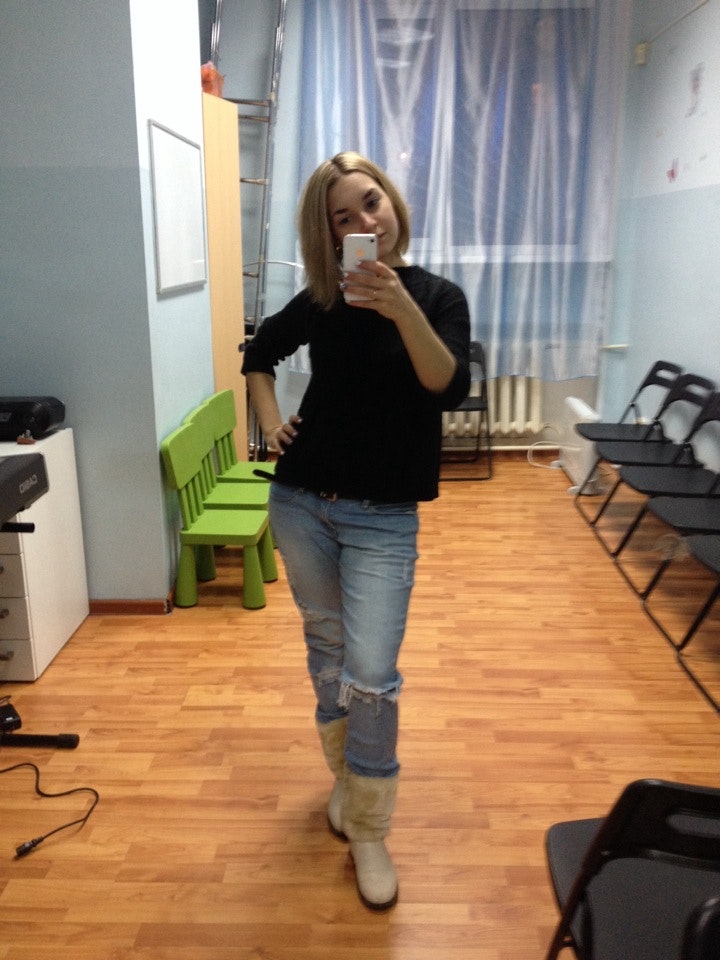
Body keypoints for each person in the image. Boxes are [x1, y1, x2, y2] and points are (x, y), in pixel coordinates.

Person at [242, 151, 470, 911]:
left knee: (371, 674)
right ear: (330, 233)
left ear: (391, 200)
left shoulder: (437, 297)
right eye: (343, 217)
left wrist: (400, 307)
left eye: (371, 202)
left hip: (383, 517)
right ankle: (348, 785)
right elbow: (259, 354)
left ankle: (369, 830)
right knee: (328, 649)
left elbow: (447, 385)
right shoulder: (322, 298)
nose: (365, 221)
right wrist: (271, 423)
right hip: (301, 502)